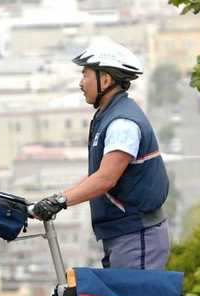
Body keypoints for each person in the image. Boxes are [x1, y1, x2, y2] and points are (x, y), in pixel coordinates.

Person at [32, 38, 170, 270]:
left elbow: (106, 178)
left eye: (85, 74)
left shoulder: (122, 123)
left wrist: (61, 202)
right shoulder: (108, 116)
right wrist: (57, 198)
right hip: (123, 236)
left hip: (137, 236)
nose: (81, 82)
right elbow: (96, 175)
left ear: (105, 79)